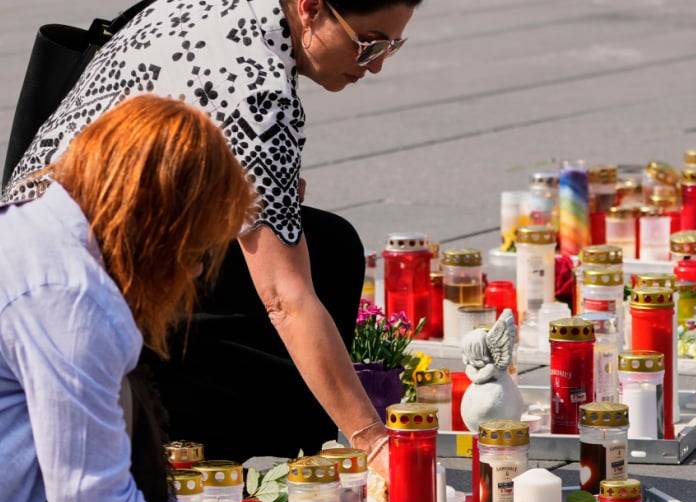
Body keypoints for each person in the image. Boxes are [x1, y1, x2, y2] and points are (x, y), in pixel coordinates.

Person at [3, 0, 423, 473]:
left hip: (29, 224)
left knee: (322, 242)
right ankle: (283, 475)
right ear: (309, 9)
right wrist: (374, 442)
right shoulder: (258, 89)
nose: (378, 64)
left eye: (392, 45)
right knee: (320, 265)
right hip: (80, 278)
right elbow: (285, 298)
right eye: (368, 43)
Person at [0, 95, 285, 502]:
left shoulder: (34, 232)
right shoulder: (73, 300)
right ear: (155, 231)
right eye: (196, 249)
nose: (194, 270)